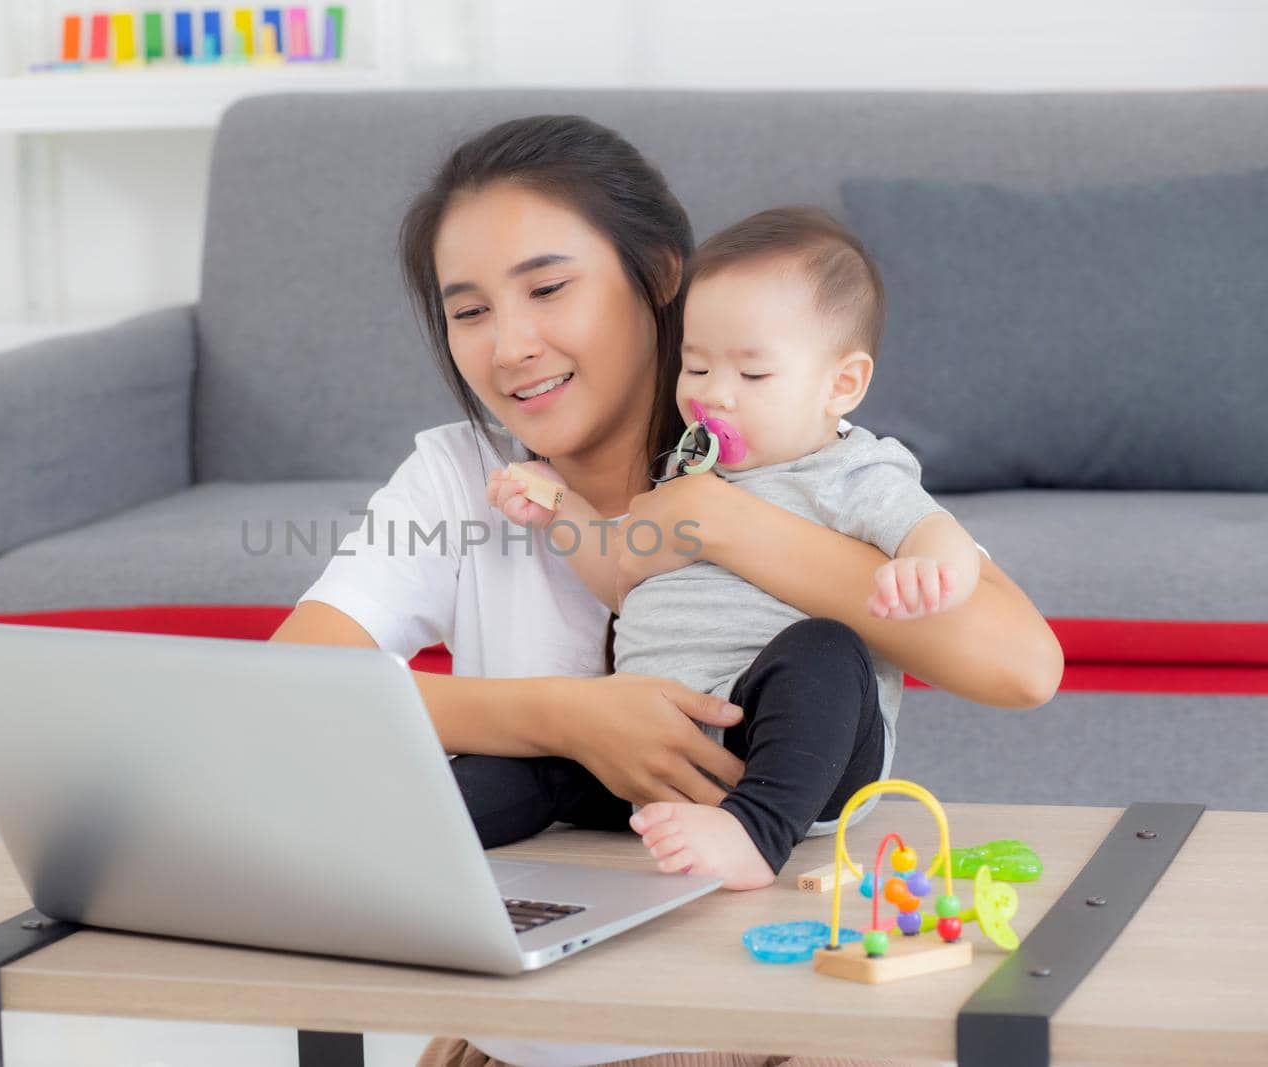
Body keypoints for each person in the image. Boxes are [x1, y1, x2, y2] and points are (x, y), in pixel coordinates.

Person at [271, 114, 1062, 1067]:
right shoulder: (459, 473)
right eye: (470, 310)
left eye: (549, 288)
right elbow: (297, 685)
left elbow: (1021, 665)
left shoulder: (793, 451)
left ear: (659, 279)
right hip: (538, 1033)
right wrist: (570, 718)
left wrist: (729, 524)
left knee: (824, 655)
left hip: (766, 1022)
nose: (511, 343)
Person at [480, 205, 984, 893]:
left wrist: (932, 567)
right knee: (538, 755)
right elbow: (623, 575)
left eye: (752, 376)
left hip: (797, 753)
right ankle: (424, 825)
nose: (715, 395)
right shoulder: (688, 471)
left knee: (827, 650)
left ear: (842, 385)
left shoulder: (851, 472)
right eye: (697, 367)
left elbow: (932, 529)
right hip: (656, 750)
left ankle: (757, 831)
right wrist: (559, 505)